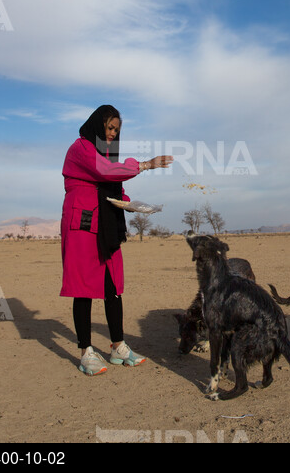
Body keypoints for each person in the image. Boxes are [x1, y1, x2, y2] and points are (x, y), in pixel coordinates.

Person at [60, 105, 172, 375]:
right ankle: (86, 351)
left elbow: (115, 184)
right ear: (98, 125)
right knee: (84, 286)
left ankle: (118, 346)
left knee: (112, 285)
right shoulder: (81, 148)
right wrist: (145, 164)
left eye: (116, 130)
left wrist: (131, 205)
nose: (112, 134)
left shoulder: (107, 155)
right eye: (110, 128)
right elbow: (104, 172)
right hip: (83, 223)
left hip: (106, 224)